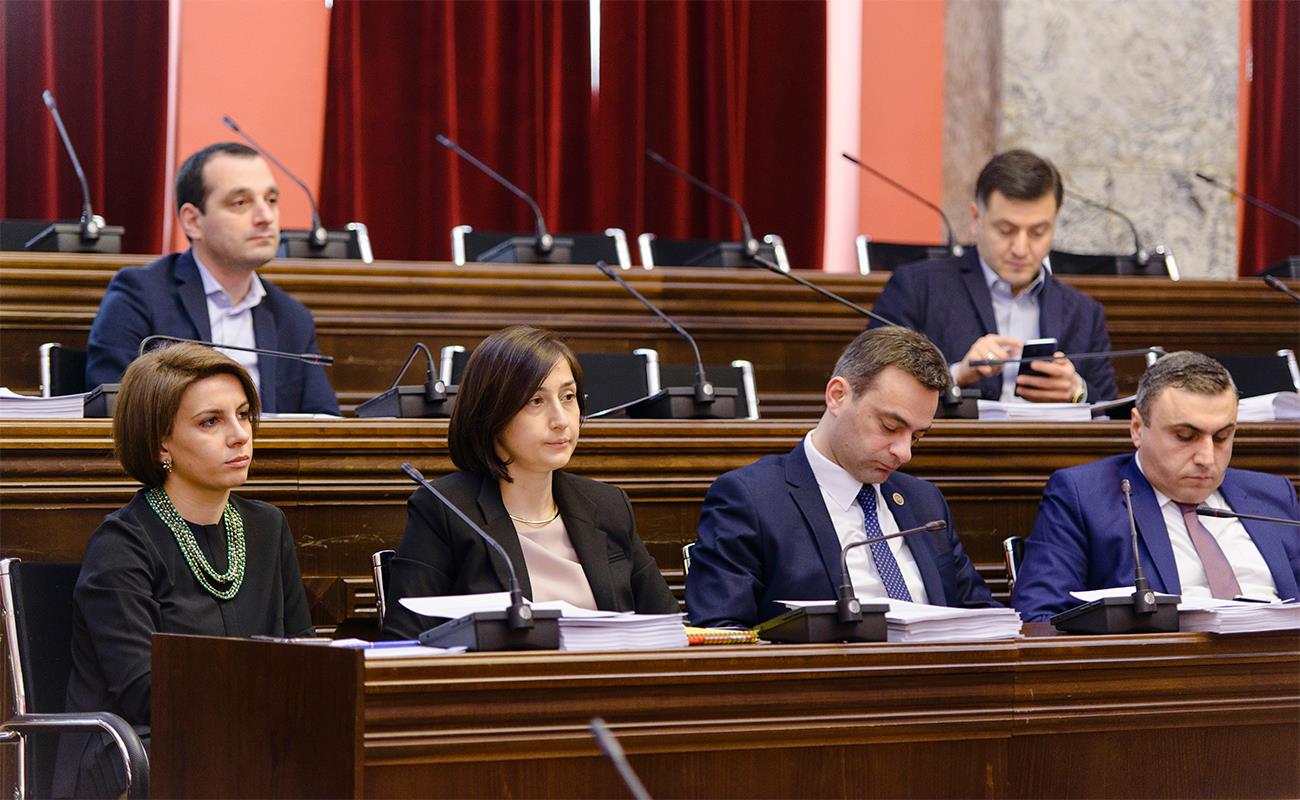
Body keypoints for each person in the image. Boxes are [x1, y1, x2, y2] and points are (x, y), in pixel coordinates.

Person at [55, 342, 313, 798]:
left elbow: (306, 656)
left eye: (243, 414)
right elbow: (147, 695)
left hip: (247, 746)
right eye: (211, 421)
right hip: (136, 761)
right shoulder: (121, 544)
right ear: (161, 443)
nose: (239, 435)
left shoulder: (268, 527)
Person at [686, 326, 998, 629]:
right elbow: (722, 633)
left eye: (916, 437)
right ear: (837, 396)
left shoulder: (925, 503)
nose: (904, 453)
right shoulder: (751, 499)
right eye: (890, 427)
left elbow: (985, 620)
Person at [382, 326, 677, 639]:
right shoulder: (446, 510)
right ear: (491, 412)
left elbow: (670, 628)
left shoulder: (607, 506)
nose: (561, 420)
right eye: (536, 401)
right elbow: (404, 642)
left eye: (568, 397)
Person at [1013, 352, 1300, 621]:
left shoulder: (1273, 496)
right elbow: (1039, 617)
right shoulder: (1084, 497)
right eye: (1185, 436)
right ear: (1137, 428)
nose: (1206, 458)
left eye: (1222, 437)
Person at [85, 142, 339, 415]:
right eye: (240, 203)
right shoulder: (140, 296)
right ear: (193, 221)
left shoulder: (292, 317)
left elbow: (324, 422)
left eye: (271, 200)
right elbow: (116, 411)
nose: (266, 217)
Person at [871, 149, 1117, 404]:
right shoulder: (918, 289)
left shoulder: (1084, 314)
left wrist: (1078, 392)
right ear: (976, 219)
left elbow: (1111, 411)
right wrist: (955, 377)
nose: (1020, 249)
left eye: (1037, 232)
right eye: (1006, 230)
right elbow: (875, 385)